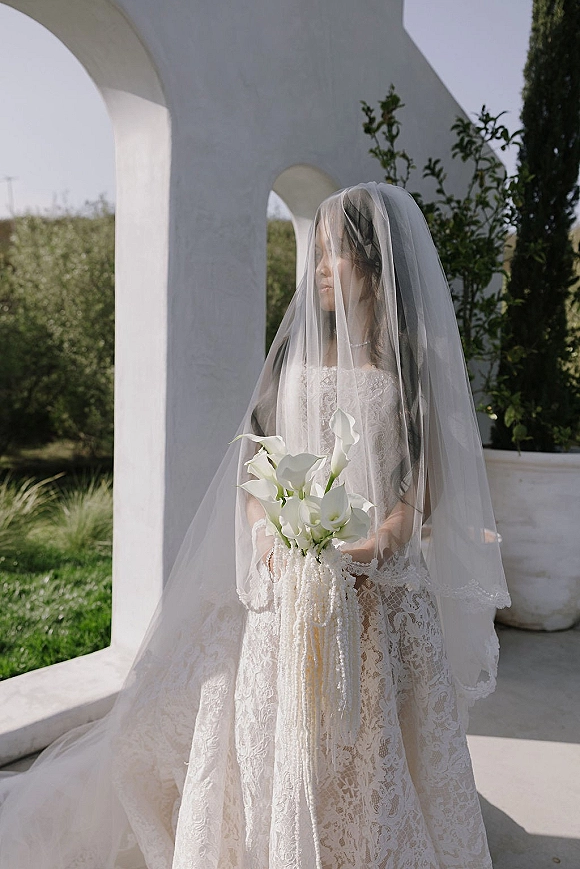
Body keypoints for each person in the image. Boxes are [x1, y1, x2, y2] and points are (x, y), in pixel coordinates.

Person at [0, 182, 510, 869]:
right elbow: (256, 455)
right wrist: (269, 531)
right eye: (318, 252)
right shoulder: (296, 355)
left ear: (377, 263)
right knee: (276, 730)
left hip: (377, 589)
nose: (323, 268)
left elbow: (424, 482)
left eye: (340, 254)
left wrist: (383, 538)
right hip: (288, 581)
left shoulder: (409, 360)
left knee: (372, 742)